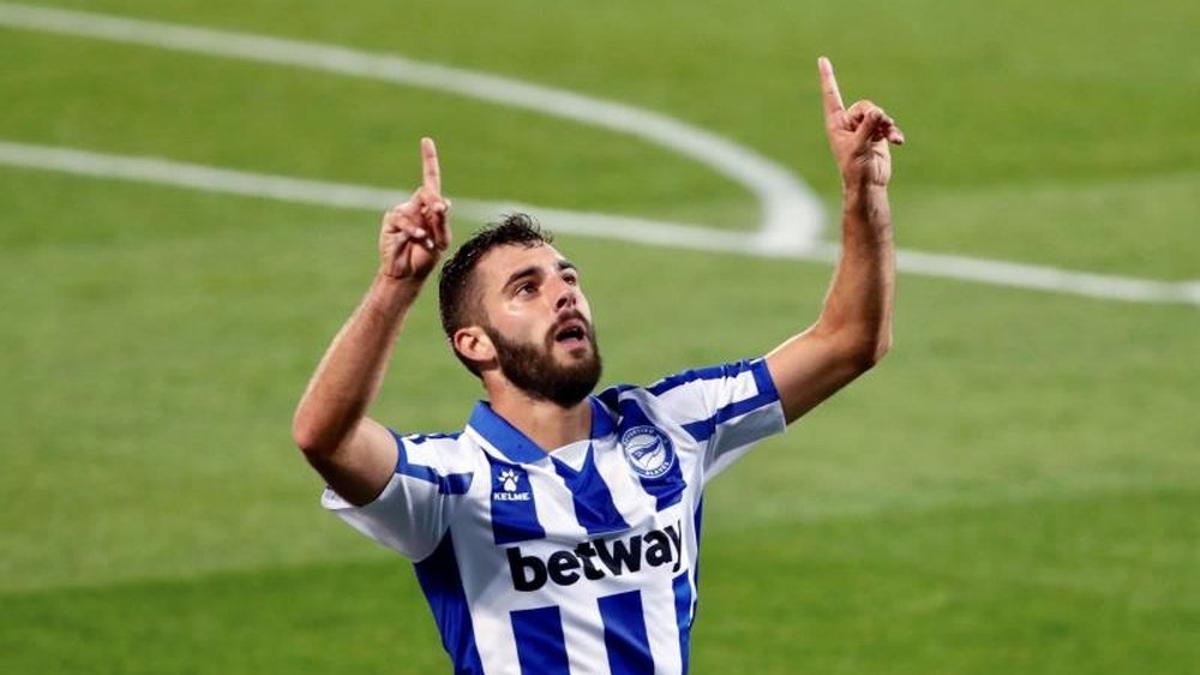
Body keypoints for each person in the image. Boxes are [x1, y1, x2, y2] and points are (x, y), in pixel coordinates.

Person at [292, 57, 902, 675]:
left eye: (568, 278)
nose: (564, 293)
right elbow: (323, 436)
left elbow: (850, 341)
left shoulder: (672, 424)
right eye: (526, 289)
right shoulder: (450, 482)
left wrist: (863, 194)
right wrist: (396, 286)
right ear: (474, 344)